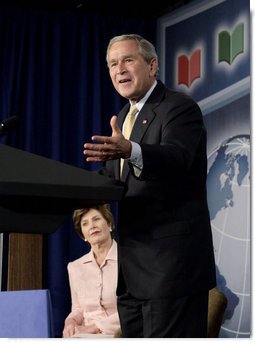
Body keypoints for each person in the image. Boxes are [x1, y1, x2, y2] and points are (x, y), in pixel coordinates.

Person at [83, 34, 216, 338]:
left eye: (128, 60)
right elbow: (116, 180)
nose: (120, 69)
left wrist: (130, 150)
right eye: (113, 64)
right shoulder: (128, 117)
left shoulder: (178, 108)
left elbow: (177, 157)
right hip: (133, 275)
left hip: (171, 271)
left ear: (152, 65)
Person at [62, 204, 120, 338]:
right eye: (85, 223)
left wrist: (95, 328)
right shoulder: (75, 267)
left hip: (119, 333)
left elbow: (132, 307)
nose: (92, 226)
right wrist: (70, 321)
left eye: (96, 219)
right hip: (84, 335)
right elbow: (78, 309)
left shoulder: (128, 260)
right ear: (83, 234)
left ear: (110, 224)